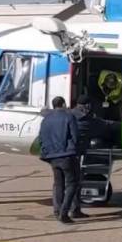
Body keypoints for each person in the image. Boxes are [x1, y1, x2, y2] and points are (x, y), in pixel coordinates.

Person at [38, 96, 80, 224]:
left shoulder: (46, 119)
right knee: (72, 184)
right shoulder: (69, 117)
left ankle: (57, 210)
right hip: (66, 154)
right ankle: (64, 212)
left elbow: (41, 137)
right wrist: (74, 149)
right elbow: (75, 136)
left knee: (58, 184)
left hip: (52, 156)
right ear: (63, 104)